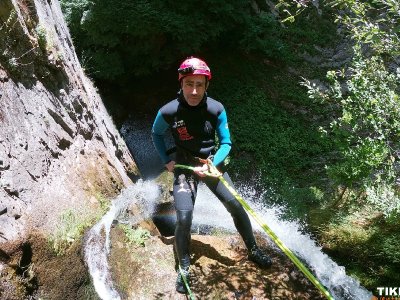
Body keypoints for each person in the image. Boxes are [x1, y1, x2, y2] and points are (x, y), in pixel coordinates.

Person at [151, 57, 272, 294]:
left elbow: (226, 143)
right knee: (184, 218)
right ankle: (184, 266)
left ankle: (254, 249)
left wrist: (213, 164)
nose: (194, 90)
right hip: (184, 167)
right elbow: (156, 135)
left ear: (207, 85)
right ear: (181, 83)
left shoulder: (216, 109)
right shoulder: (168, 111)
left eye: (199, 84)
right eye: (189, 84)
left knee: (235, 205)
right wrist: (167, 161)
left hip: (209, 163)